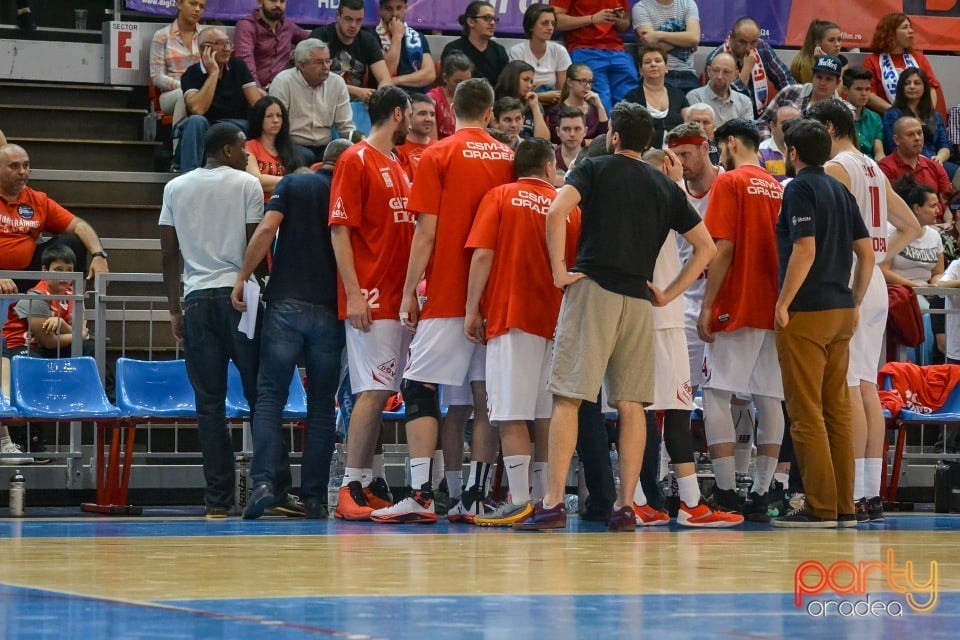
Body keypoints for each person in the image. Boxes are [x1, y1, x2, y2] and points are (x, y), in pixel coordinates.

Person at [514, 101, 715, 531]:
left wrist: (557, 271)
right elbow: (707, 248)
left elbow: (555, 211)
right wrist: (669, 294)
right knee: (632, 405)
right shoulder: (665, 186)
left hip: (594, 291)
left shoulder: (596, 168)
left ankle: (551, 503)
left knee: (569, 396)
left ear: (615, 136)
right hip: (641, 301)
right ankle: (627, 505)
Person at [375, 78, 514, 524]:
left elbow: (427, 231)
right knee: (483, 396)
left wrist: (407, 290)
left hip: (450, 293)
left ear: (452, 111)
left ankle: (421, 493)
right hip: (496, 299)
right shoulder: (511, 157)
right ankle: (472, 495)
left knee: (419, 386)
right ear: (490, 113)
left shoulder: (438, 154)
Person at [808, 98, 922, 524]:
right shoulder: (874, 168)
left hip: (850, 278)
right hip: (872, 277)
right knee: (866, 384)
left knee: (848, 387)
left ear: (830, 129)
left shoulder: (837, 167)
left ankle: (854, 490)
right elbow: (914, 226)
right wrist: (880, 255)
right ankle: (870, 492)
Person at [463, 138, 581, 525]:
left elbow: (482, 254)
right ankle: (550, 499)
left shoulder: (500, 196)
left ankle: (518, 500)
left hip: (512, 316)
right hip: (559, 320)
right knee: (547, 414)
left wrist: (471, 310)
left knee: (511, 412)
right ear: (550, 168)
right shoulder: (571, 207)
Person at [231, 145, 352, 521]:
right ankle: (314, 498)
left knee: (269, 398)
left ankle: (265, 482)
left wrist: (242, 277)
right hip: (331, 309)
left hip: (285, 303)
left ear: (321, 162)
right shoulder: (350, 192)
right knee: (319, 408)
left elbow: (268, 228)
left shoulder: (294, 184)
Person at [159, 122, 264, 519]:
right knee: (260, 397)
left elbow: (169, 254)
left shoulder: (175, 187)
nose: (248, 152)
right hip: (240, 297)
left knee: (209, 404)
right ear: (225, 151)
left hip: (197, 299)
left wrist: (174, 308)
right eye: (242, 146)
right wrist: (249, 283)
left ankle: (216, 501)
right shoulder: (246, 185)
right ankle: (271, 486)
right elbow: (257, 244)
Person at [637, 135, 744, 528]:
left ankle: (645, 500)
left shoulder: (630, 204)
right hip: (664, 319)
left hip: (646, 317)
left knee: (646, 411)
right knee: (670, 410)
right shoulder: (669, 201)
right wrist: (668, 295)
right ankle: (686, 503)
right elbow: (708, 249)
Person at [772, 118, 873, 528]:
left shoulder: (799, 188)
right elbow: (866, 253)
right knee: (837, 410)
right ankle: (845, 506)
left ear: (792, 153)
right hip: (841, 310)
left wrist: (783, 301)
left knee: (806, 413)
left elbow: (805, 249)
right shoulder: (840, 190)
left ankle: (820, 507)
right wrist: (855, 301)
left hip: (808, 311)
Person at [327, 87, 416, 522]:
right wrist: (355, 291)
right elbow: (340, 231)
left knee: (382, 393)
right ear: (397, 114)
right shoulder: (355, 159)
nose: (416, 123)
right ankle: (347, 486)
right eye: (411, 115)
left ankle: (363, 483)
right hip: (373, 299)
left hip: (399, 299)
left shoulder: (398, 164)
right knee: (372, 390)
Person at [697, 118, 785, 521]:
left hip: (739, 298)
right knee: (769, 397)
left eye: (719, 148)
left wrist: (708, 303)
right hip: (773, 303)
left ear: (731, 143)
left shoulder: (728, 183)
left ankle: (727, 491)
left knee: (715, 392)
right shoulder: (776, 186)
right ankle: (764, 493)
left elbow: (724, 247)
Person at [2, 244, 94, 464]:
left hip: (43, 349)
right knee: (34, 370)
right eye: (58, 270)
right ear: (45, 269)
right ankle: (29, 441)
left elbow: (84, 333)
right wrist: (75, 332)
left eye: (69, 270)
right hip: (18, 347)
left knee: (89, 350)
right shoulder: (36, 296)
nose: (64, 276)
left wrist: (63, 324)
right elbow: (49, 341)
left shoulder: (74, 295)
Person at [0, 144, 109, 294]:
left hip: (28, 274)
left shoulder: (38, 200)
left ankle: (72, 309)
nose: (22, 172)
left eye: (26, 166)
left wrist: (99, 255)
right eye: (14, 166)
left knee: (74, 241)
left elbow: (79, 225)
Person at [178, 27, 264, 173]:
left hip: (237, 125)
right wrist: (213, 73)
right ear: (204, 49)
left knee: (250, 123)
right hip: (206, 127)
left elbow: (257, 104)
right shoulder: (191, 74)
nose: (227, 49)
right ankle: (189, 177)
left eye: (228, 43)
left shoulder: (238, 66)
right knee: (195, 121)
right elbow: (198, 109)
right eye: (220, 43)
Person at [269, 39, 355, 163]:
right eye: (319, 62)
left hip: (325, 147)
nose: (326, 67)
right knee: (306, 156)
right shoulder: (283, 82)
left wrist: (356, 147)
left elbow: (345, 127)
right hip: (291, 144)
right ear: (301, 65)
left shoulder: (337, 83)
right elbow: (276, 126)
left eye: (328, 61)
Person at [550, 0, 637, 113]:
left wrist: (618, 20)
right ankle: (604, 129)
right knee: (601, 101)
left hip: (617, 50)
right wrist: (592, 19)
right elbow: (555, 20)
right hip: (584, 48)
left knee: (631, 102)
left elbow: (625, 24)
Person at [705, 17, 795, 119]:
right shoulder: (716, 59)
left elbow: (784, 79)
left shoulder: (762, 48)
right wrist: (747, 68)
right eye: (742, 42)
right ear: (732, 37)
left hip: (759, 115)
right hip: (729, 117)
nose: (748, 48)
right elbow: (723, 97)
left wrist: (792, 105)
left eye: (753, 42)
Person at [309, 0, 392, 104]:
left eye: (359, 20)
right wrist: (355, 91)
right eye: (348, 19)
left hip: (357, 104)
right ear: (337, 15)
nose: (353, 25)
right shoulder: (321, 36)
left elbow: (385, 79)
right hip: (324, 99)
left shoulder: (367, 40)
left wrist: (380, 93)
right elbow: (315, 76)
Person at [863, 12, 941, 114]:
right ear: (890, 33)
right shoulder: (872, 61)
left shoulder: (919, 58)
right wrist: (897, 113)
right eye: (905, 27)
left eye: (910, 27)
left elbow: (931, 88)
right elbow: (870, 96)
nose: (911, 31)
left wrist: (926, 113)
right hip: (889, 120)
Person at [879, 117, 954, 222]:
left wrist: (949, 225)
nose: (917, 138)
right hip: (908, 228)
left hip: (940, 225)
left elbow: (948, 205)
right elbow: (892, 209)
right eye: (910, 134)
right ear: (896, 140)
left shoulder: (934, 166)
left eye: (920, 133)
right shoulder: (886, 168)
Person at [881, 68, 953, 175]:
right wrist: (924, 162)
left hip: (936, 163)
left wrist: (939, 158)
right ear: (901, 88)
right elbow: (893, 147)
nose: (912, 86)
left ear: (925, 87)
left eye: (917, 83)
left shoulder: (934, 115)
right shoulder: (892, 114)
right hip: (907, 164)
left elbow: (944, 145)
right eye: (907, 83)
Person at [756, 55, 842, 140]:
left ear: (837, 83)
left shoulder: (840, 111)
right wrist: (768, 148)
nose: (822, 83)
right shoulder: (790, 91)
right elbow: (763, 122)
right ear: (812, 77)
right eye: (819, 77)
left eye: (828, 79)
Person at [882, 176, 944, 287]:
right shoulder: (890, 230)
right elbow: (883, 270)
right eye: (932, 206)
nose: (938, 210)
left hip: (925, 292)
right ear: (916, 208)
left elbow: (937, 273)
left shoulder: (935, 236)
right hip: (897, 291)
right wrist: (914, 286)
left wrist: (937, 285)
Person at [149, 0, 204, 125]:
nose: (197, 9)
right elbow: (157, 77)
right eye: (193, 3)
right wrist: (186, 86)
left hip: (202, 90)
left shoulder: (206, 36)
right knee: (184, 95)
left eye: (201, 6)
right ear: (179, 4)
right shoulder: (162, 36)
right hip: (172, 94)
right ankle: (179, 143)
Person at [622, 45, 688, 149]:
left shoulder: (678, 95)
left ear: (666, 67)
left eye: (658, 61)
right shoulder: (631, 98)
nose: (653, 64)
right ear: (640, 70)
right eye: (647, 62)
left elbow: (690, 124)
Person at [234, 0, 309, 89]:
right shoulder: (246, 26)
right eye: (273, 1)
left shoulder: (287, 25)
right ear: (260, 2)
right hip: (254, 90)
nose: (278, 5)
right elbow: (246, 64)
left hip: (283, 89)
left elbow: (312, 39)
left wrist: (301, 50)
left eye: (282, 1)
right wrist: (258, 94)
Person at [631, 0, 701, 93]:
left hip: (687, 74)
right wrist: (683, 42)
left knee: (698, 106)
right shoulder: (641, 7)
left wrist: (659, 35)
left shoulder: (688, 3)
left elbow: (694, 38)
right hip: (656, 74)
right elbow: (651, 46)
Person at [509, 4, 571, 108]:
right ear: (531, 26)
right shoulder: (517, 51)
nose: (550, 28)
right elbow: (516, 91)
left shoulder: (560, 51)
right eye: (545, 23)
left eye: (553, 23)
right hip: (524, 105)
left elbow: (564, 91)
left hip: (554, 104)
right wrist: (540, 96)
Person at [244, 96, 303, 203]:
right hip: (260, 205)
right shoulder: (250, 147)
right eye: (269, 116)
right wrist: (293, 180)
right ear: (259, 119)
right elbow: (256, 180)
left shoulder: (289, 148)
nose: (275, 120)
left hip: (286, 204)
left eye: (279, 116)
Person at [441, 1, 509, 86]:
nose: (492, 23)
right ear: (471, 22)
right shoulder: (453, 49)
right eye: (486, 18)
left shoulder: (499, 51)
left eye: (494, 19)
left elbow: (505, 86)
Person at [377, 0, 436, 94]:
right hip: (388, 97)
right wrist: (397, 37)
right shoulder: (372, 37)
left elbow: (430, 74)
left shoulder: (417, 37)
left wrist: (395, 81)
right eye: (388, 9)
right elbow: (386, 73)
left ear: (405, 8)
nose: (394, 14)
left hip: (416, 98)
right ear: (380, 10)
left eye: (399, 8)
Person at [685, 53, 753, 128]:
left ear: (735, 75)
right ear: (709, 71)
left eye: (726, 72)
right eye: (715, 70)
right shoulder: (695, 97)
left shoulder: (745, 102)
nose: (719, 76)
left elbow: (748, 135)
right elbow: (695, 130)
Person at [547, 62, 607, 145]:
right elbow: (560, 140)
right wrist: (588, 142)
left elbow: (604, 140)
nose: (587, 86)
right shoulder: (556, 110)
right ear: (569, 82)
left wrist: (600, 107)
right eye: (583, 81)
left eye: (590, 82)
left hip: (593, 155)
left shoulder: (595, 108)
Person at [494, 60, 551, 141]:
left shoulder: (533, 103)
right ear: (512, 78)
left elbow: (543, 140)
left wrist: (535, 107)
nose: (529, 85)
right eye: (525, 80)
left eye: (531, 81)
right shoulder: (494, 103)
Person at [426, 53, 473, 140]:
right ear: (445, 78)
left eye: (467, 82)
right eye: (458, 82)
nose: (464, 86)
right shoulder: (432, 100)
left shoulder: (474, 99)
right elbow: (432, 143)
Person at [843, 66, 885, 161]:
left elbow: (879, 153)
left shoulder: (875, 118)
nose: (864, 93)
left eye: (867, 89)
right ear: (845, 90)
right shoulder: (836, 115)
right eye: (858, 89)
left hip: (870, 166)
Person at [790, 19, 844, 85]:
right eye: (831, 40)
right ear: (817, 44)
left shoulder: (840, 60)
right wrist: (825, 62)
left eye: (839, 39)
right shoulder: (804, 64)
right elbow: (830, 91)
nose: (837, 44)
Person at [394, 93, 435, 180]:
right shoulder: (396, 149)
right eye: (422, 113)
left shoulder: (441, 148)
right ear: (408, 115)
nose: (429, 119)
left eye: (432, 114)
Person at [758, 106, 802, 182]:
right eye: (785, 123)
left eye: (796, 123)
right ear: (772, 126)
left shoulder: (808, 148)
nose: (791, 127)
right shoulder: (761, 152)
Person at [554, 107, 586, 176]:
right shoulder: (549, 158)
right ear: (558, 131)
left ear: (585, 131)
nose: (572, 134)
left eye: (577, 129)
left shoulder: (592, 159)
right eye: (566, 129)